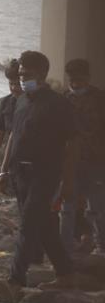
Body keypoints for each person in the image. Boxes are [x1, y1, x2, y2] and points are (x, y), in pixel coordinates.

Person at [0, 50, 77, 289]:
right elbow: (13, 136)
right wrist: (3, 170)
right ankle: (65, 272)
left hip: (45, 172)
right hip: (19, 172)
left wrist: (69, 179)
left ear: (43, 73)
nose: (23, 78)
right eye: (21, 74)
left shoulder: (58, 104)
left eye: (28, 74)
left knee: (29, 223)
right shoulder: (20, 101)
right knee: (43, 224)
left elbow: (73, 143)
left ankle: (15, 280)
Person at [60, 58, 105, 255]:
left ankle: (101, 247)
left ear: (88, 77)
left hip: (96, 161)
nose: (76, 84)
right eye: (72, 80)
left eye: (79, 80)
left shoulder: (100, 99)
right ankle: (64, 250)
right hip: (70, 163)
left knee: (96, 208)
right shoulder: (62, 100)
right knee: (67, 208)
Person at [0, 59, 23, 180]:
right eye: (10, 84)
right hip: (13, 157)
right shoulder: (7, 102)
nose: (14, 88)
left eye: (17, 84)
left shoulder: (33, 103)